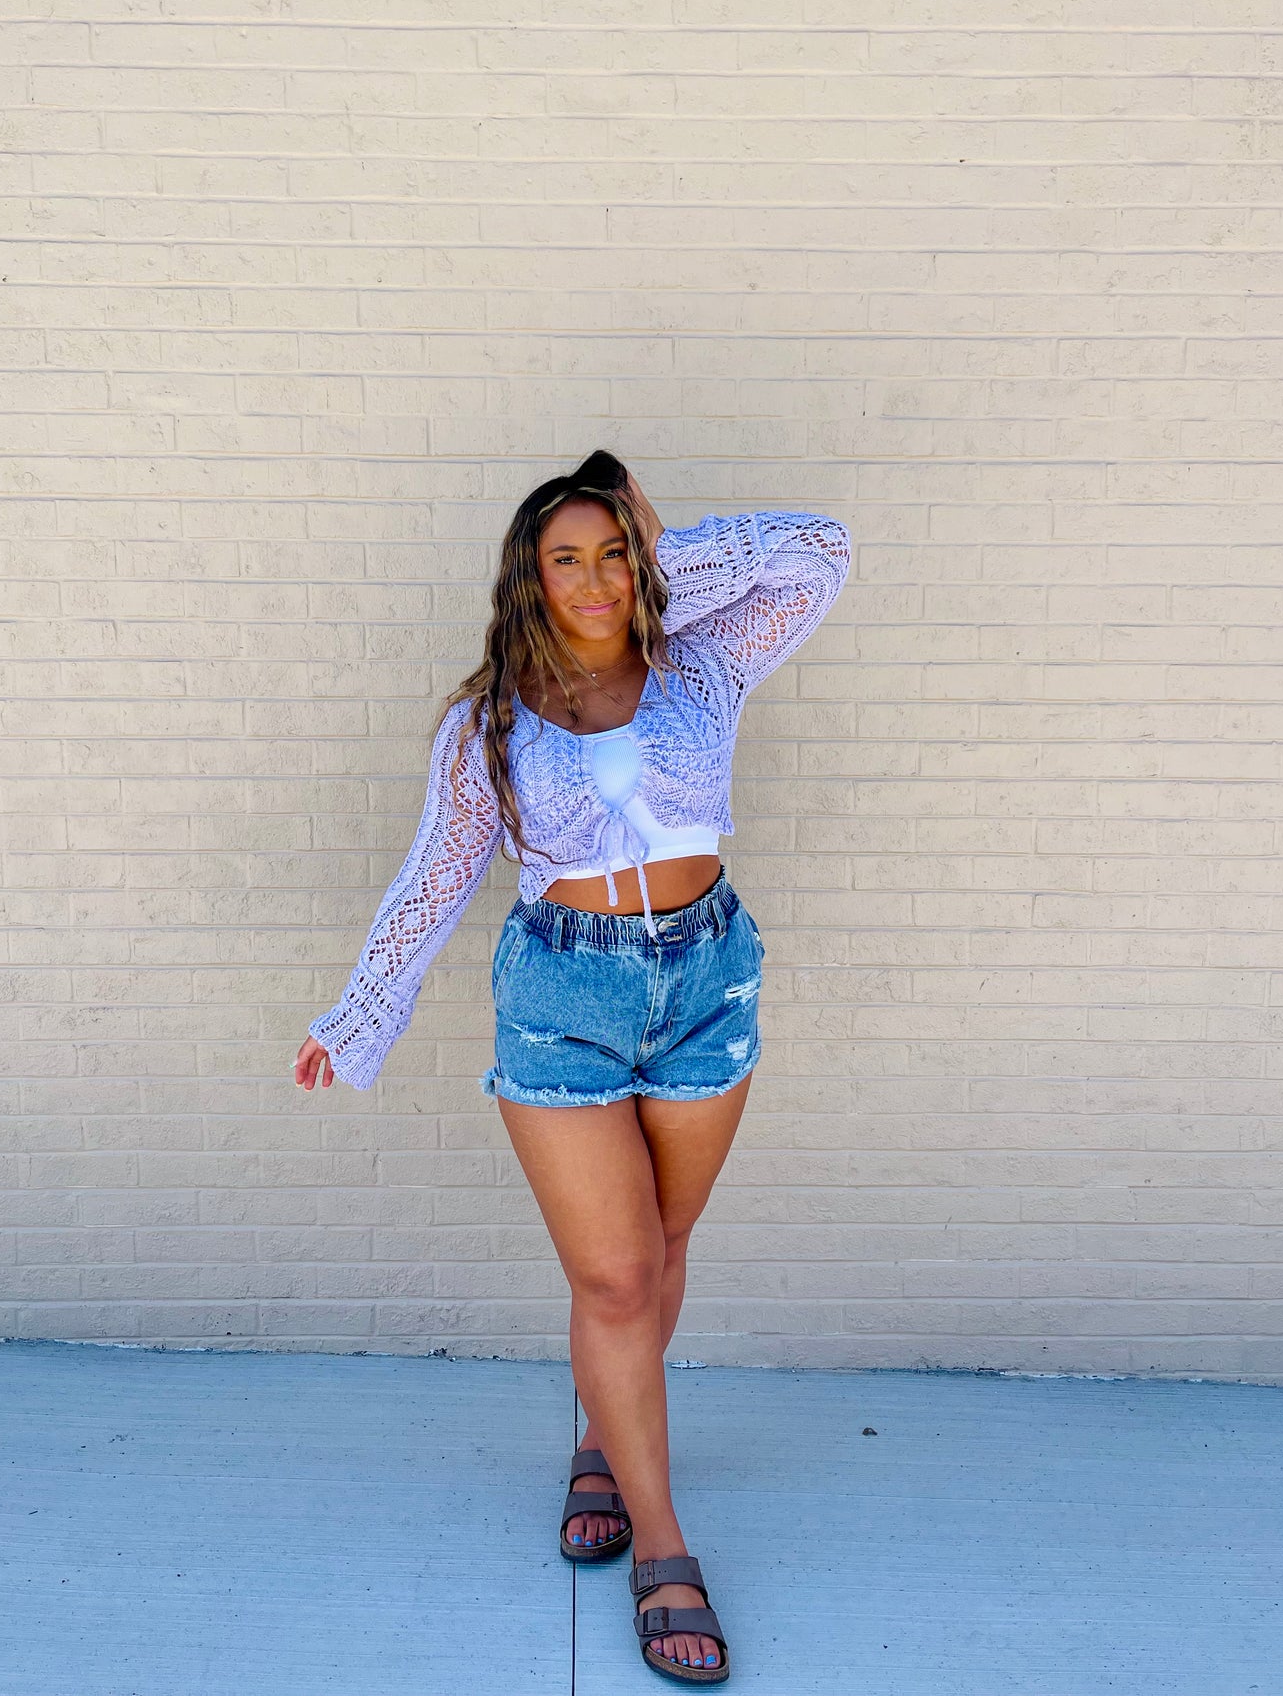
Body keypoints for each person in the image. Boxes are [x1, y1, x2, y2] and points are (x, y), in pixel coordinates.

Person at [295, 450, 852, 1683]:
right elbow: (438, 874)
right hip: (562, 994)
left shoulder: (702, 664)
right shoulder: (484, 720)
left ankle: (603, 1440)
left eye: (612, 554)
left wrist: (663, 553)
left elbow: (820, 552)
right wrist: (358, 1015)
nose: (595, 580)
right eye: (568, 558)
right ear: (526, 577)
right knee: (611, 1278)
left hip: (709, 976)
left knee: (661, 1247)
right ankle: (662, 1547)